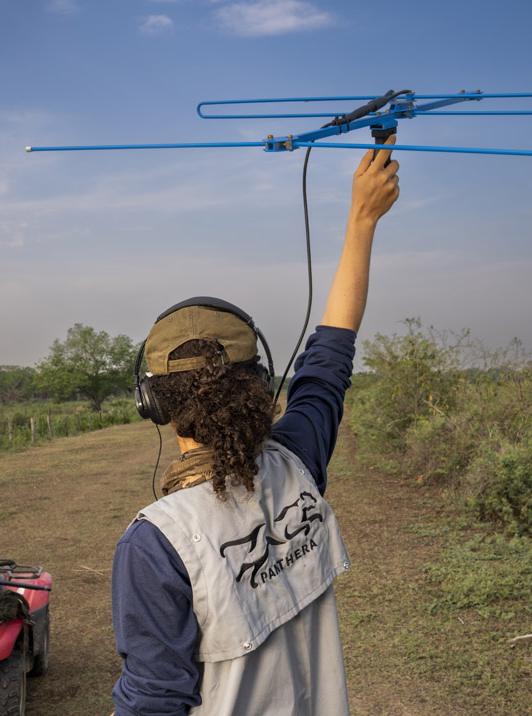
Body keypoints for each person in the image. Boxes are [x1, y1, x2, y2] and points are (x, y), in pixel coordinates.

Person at [111, 137, 400, 716]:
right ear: (258, 386)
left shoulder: (156, 544)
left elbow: (154, 701)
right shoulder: (299, 463)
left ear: (155, 404)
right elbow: (329, 358)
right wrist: (362, 218)